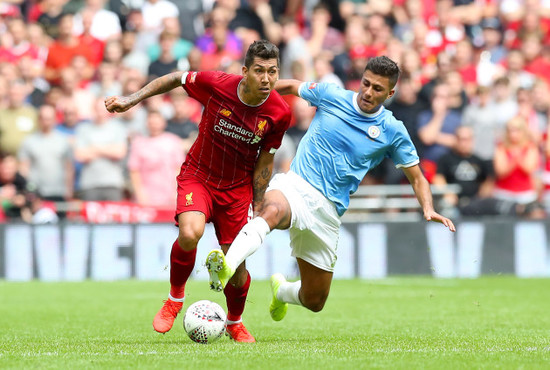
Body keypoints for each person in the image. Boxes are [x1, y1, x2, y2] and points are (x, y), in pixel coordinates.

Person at [205, 56, 455, 324]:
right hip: (296, 184)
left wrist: (428, 208)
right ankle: (226, 267)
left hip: (328, 210)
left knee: (315, 300)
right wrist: (245, 95)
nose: (368, 93)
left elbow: (417, 177)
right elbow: (290, 86)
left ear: (390, 93)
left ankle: (283, 291)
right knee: (271, 210)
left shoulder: (392, 131)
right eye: (366, 84)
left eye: (377, 89)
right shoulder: (331, 95)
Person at [104, 40, 291, 342]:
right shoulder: (218, 84)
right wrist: (132, 99)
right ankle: (174, 300)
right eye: (259, 71)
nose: (266, 78)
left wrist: (257, 203)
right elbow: (175, 78)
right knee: (190, 232)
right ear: (245, 71)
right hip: (199, 176)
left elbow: (266, 159)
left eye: (272, 71)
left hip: (236, 190)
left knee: (235, 265)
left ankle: (234, 322)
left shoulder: (279, 113)